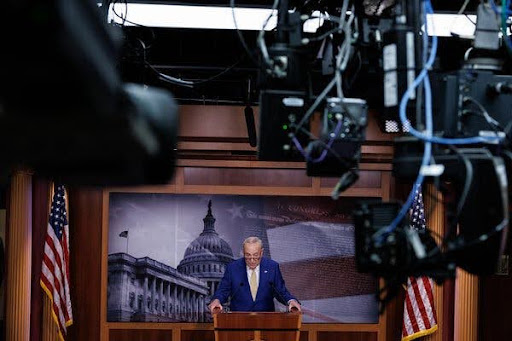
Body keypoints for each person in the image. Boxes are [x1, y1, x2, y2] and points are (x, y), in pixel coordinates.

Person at [208, 236, 301, 313]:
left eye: (255, 256)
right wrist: (217, 300)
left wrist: (291, 301)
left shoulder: (272, 267)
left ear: (261, 252)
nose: (252, 260)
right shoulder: (233, 268)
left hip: (266, 320)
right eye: (248, 256)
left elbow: (281, 291)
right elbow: (223, 290)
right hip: (238, 321)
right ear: (243, 253)